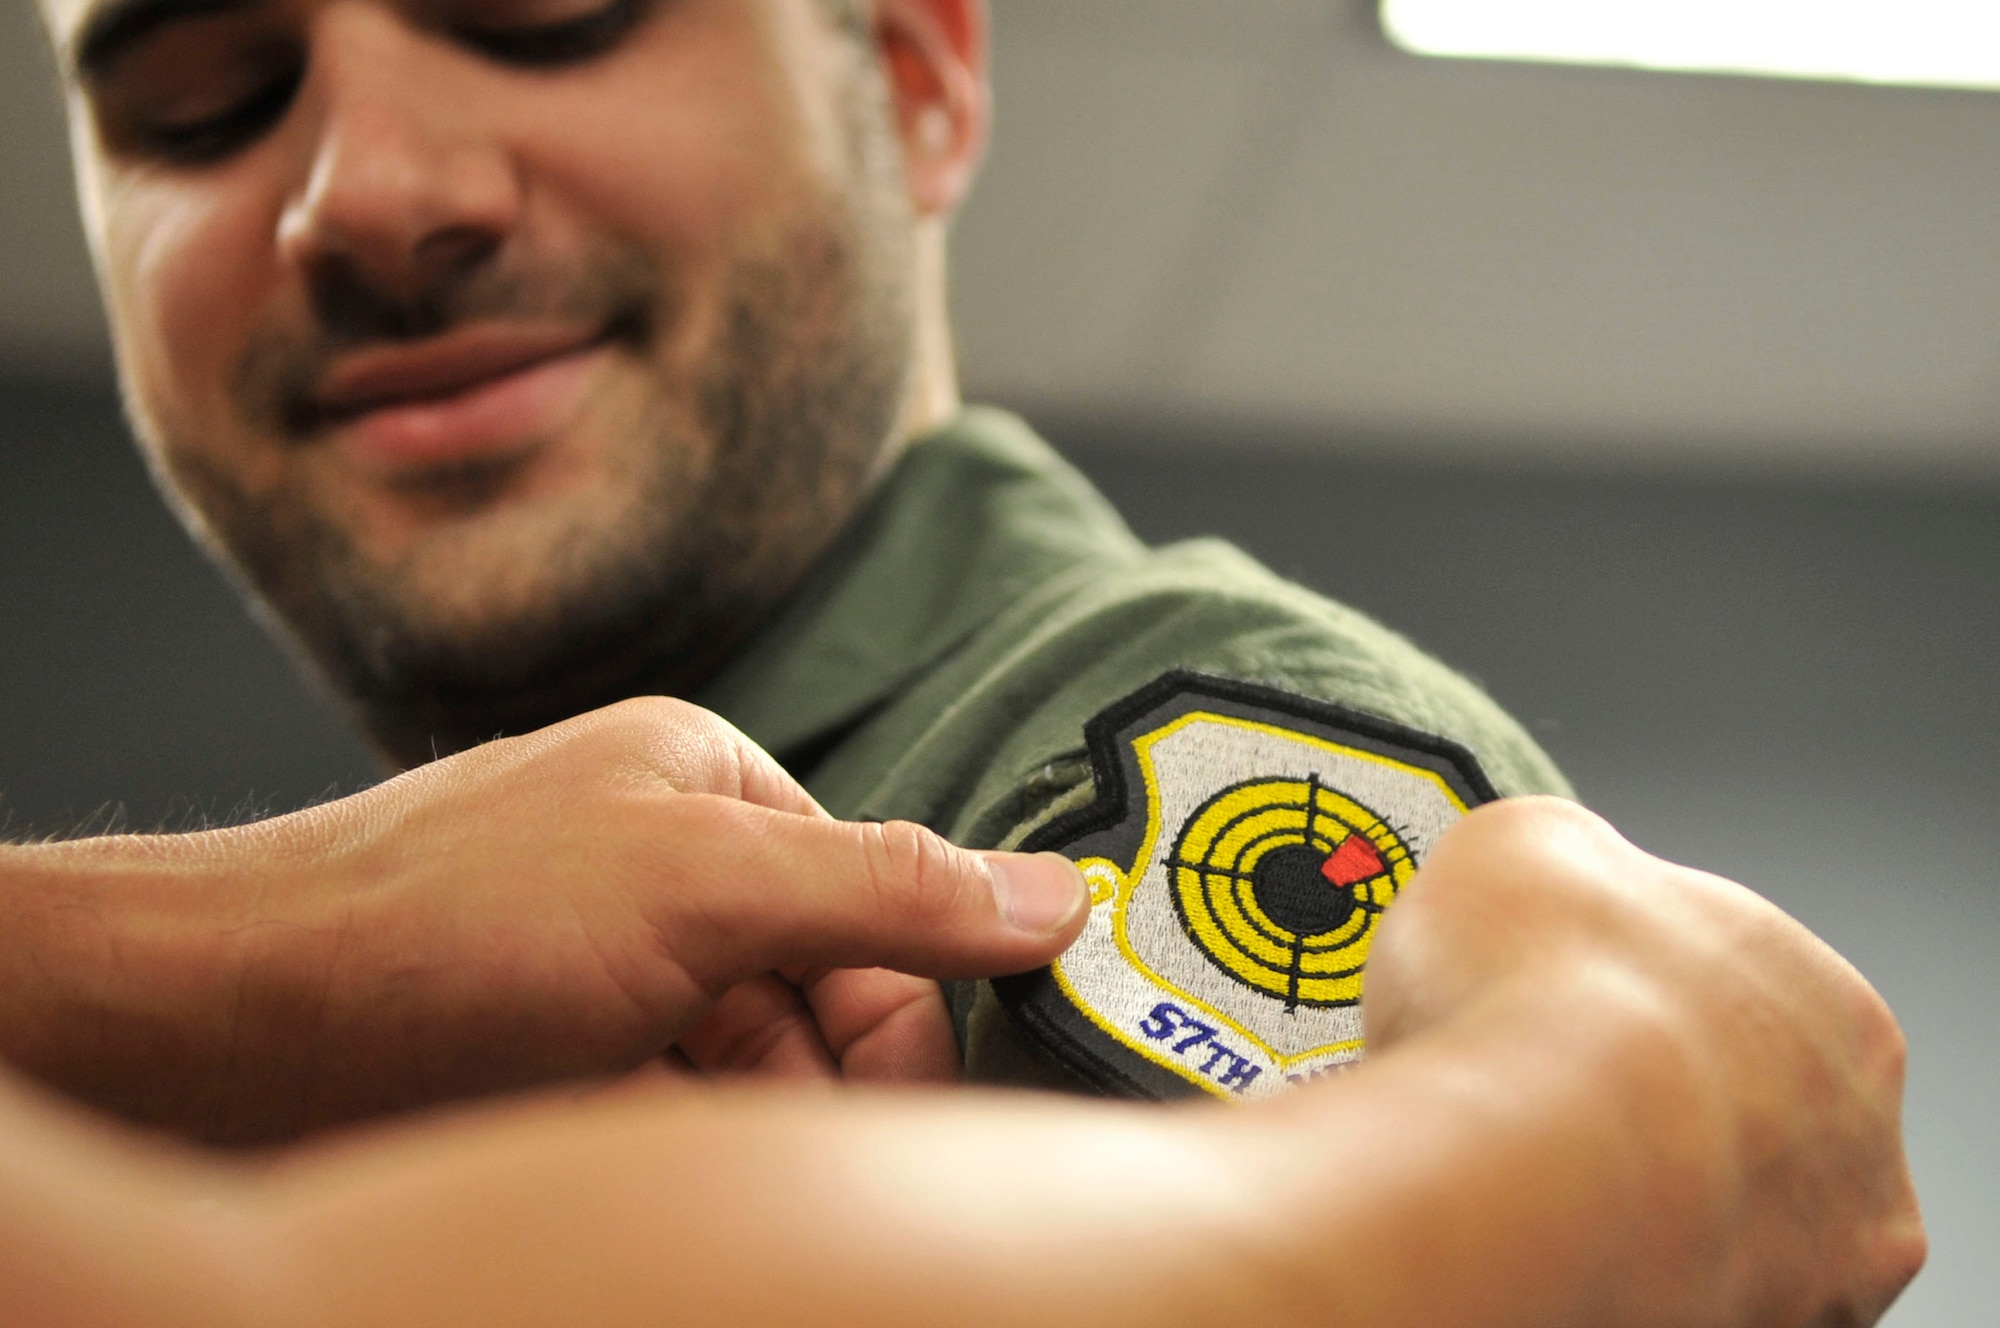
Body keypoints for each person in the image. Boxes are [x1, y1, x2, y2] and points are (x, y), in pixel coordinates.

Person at [0, 0, 1924, 1318]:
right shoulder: (299, 981)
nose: (374, 196)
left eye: (547, 10)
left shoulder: (1146, 732)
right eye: (199, 97)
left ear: (916, 74)